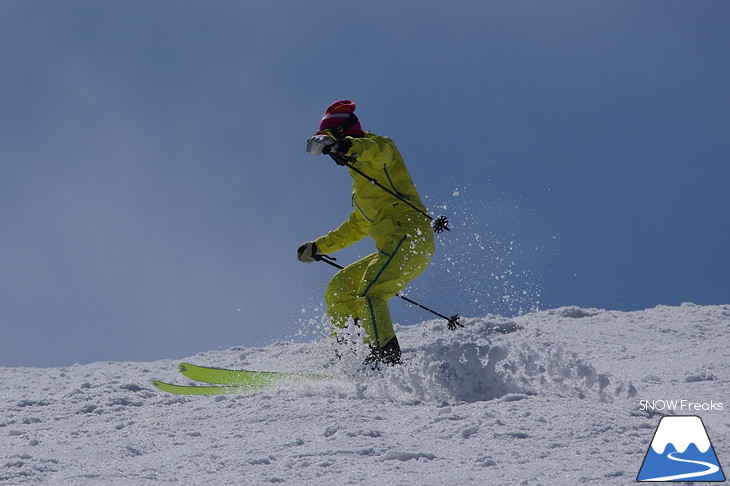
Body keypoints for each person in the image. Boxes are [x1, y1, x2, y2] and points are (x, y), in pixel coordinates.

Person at [297, 100, 434, 365]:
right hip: (391, 247)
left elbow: (376, 151)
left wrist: (348, 145)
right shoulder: (360, 187)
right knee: (340, 288)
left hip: (411, 238)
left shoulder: (381, 149)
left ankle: (386, 360)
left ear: (344, 134)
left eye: (331, 139)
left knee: (370, 293)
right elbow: (359, 225)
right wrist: (319, 246)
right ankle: (348, 356)